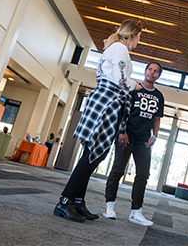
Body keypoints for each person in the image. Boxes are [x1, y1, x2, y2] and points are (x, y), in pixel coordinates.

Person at [53, 19, 142, 223]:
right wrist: (134, 84)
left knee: (91, 153)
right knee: (94, 154)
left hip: (102, 99)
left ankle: (77, 201)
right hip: (108, 102)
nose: (139, 41)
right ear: (133, 35)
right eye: (139, 37)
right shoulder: (120, 49)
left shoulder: (112, 48)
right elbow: (120, 78)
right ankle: (65, 201)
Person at [103, 62, 165, 226]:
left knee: (143, 175)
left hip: (144, 139)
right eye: (150, 69)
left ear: (158, 76)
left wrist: (155, 136)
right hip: (127, 135)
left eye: (156, 71)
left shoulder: (159, 96)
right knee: (118, 170)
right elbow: (122, 110)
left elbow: (157, 118)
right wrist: (121, 131)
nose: (152, 73)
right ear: (145, 71)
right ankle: (109, 206)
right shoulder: (134, 88)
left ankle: (136, 212)